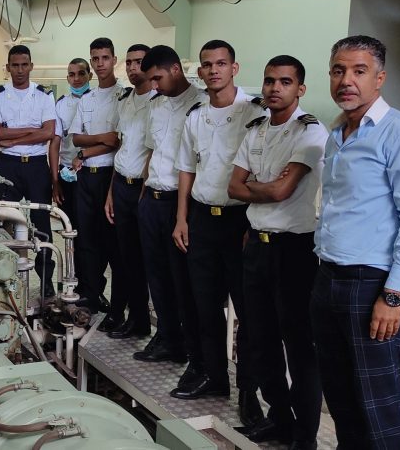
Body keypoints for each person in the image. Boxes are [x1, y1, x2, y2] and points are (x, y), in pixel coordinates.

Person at [311, 35, 400, 450]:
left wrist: (394, 295)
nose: (346, 80)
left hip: (376, 285)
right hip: (330, 278)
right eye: (338, 70)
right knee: (342, 399)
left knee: (379, 406)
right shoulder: (338, 133)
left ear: (379, 78)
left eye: (359, 71)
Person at [228, 55, 327, 448]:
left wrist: (261, 187)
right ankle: (279, 419)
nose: (274, 88)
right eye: (269, 81)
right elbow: (234, 187)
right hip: (257, 246)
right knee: (260, 340)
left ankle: (305, 437)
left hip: (295, 251)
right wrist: (264, 188)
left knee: (299, 346)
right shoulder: (256, 131)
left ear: (300, 89)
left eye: (284, 82)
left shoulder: (310, 133)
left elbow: (281, 191)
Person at [173, 40, 264, 426]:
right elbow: (186, 170)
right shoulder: (196, 116)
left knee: (247, 312)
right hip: (202, 219)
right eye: (207, 65)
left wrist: (254, 221)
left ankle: (249, 392)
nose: (213, 71)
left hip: (241, 221)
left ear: (234, 68)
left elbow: (264, 172)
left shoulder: (256, 113)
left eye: (221, 64)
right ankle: (212, 375)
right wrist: (182, 219)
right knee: (203, 304)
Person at [134, 45, 202, 386]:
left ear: (175, 68)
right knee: (156, 274)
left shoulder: (201, 104)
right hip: (153, 199)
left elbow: (196, 164)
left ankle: (192, 349)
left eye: (158, 77)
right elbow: (154, 152)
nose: (155, 85)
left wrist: (183, 215)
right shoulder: (156, 105)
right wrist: (144, 192)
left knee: (182, 281)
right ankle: (168, 339)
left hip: (181, 202)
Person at [0, 44, 57, 294]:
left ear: (31, 66)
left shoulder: (44, 95)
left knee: (42, 225)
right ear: (8, 68)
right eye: (14, 65)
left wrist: (14, 138)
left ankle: (46, 281)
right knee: (1, 222)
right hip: (8, 166)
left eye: (24, 64)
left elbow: (49, 132)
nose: (20, 70)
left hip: (37, 167)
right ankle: (3, 278)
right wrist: (32, 130)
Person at [70, 37, 125, 324]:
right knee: (87, 240)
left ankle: (118, 307)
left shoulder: (124, 97)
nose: (100, 63)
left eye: (105, 57)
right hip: (86, 178)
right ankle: (91, 295)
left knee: (112, 243)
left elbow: (119, 140)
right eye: (95, 58)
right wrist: (100, 140)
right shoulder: (87, 99)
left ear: (114, 60)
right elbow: (76, 136)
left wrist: (87, 149)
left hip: (110, 177)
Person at [103, 44, 154, 339]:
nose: (134, 68)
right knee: (125, 258)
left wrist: (144, 192)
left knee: (145, 260)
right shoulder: (125, 101)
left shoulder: (158, 103)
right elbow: (121, 150)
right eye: (131, 62)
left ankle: (143, 321)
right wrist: (111, 192)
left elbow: (153, 152)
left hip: (143, 189)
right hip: (121, 184)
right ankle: (134, 319)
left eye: (140, 62)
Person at [50, 59, 91, 256]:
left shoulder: (96, 100)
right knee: (69, 226)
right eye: (72, 74)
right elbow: (56, 143)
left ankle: (89, 281)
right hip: (67, 173)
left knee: (89, 229)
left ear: (89, 76)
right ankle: (71, 275)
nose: (76, 79)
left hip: (91, 173)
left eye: (81, 73)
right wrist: (55, 179)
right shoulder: (61, 104)